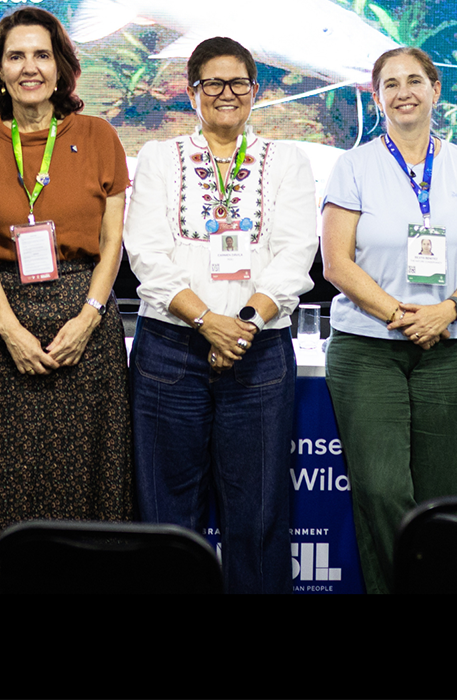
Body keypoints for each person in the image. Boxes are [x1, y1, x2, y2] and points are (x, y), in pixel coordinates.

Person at [0, 6, 131, 589]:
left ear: (61, 67)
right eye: (16, 55)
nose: (30, 68)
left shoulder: (98, 135)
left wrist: (89, 318)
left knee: (87, 483)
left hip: (86, 321)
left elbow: (112, 241)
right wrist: (10, 330)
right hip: (0, 328)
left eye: (42, 55)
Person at [124, 36, 318, 594]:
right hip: (170, 351)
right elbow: (147, 256)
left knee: (256, 518)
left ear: (255, 92)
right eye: (213, 83)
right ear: (192, 94)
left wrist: (246, 324)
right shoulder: (161, 158)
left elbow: (295, 253)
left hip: (259, 352)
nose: (226, 93)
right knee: (166, 519)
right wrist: (208, 320)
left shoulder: (287, 160)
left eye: (238, 83)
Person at [320, 46, 457, 594]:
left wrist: (449, 310)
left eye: (415, 80)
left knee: (441, 502)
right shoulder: (353, 166)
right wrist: (399, 315)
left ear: (436, 89)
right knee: (380, 489)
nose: (404, 93)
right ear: (377, 98)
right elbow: (336, 262)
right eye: (390, 84)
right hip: (368, 345)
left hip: (451, 344)